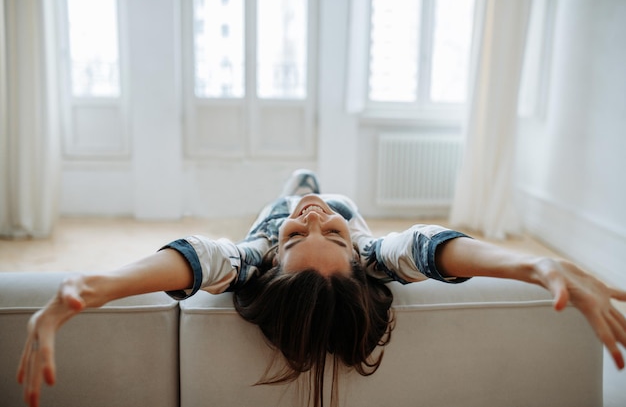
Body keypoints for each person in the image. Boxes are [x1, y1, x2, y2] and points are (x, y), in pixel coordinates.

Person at [17, 170, 626, 407]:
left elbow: (202, 261)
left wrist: (93, 286)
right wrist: (534, 268)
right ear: (359, 260)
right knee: (313, 185)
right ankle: (306, 175)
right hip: (338, 214)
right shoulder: (370, 254)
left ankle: (295, 180)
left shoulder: (257, 253)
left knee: (293, 189)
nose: (312, 218)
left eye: (299, 237)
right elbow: (430, 248)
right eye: (329, 235)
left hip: (266, 210)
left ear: (273, 256)